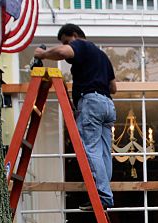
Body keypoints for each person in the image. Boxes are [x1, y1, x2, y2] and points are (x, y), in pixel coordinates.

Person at [34, 24, 117, 209]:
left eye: (65, 41)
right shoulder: (102, 56)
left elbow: (64, 53)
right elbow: (113, 88)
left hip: (92, 102)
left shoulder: (81, 45)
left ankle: (102, 197)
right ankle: (105, 194)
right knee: (103, 153)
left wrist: (43, 55)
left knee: (90, 150)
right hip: (107, 104)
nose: (65, 44)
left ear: (74, 36)